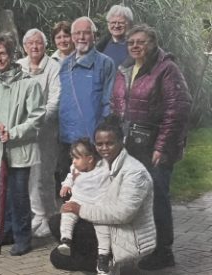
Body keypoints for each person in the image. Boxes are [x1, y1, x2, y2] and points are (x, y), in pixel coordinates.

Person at [110, 24, 192, 271]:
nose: (135, 46)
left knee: (157, 199)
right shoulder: (124, 69)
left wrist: (161, 146)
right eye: (131, 42)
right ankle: (141, 248)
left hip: (156, 147)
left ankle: (163, 252)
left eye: (141, 41)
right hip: (131, 145)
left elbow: (178, 109)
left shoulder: (166, 69)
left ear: (153, 43)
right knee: (137, 199)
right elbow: (117, 106)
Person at [50, 116, 156, 274]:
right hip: (109, 222)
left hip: (130, 234)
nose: (104, 148)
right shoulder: (100, 164)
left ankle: (113, 263)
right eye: (99, 144)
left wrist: (80, 209)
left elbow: (123, 215)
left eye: (110, 143)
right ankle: (100, 262)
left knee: (62, 256)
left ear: (122, 141)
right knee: (56, 223)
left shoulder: (134, 172)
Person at [0, 33, 45, 256]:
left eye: (2, 53)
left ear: (12, 54)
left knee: (18, 194)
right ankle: (5, 232)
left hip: (20, 150)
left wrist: (13, 133)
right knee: (2, 193)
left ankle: (23, 237)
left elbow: (37, 118)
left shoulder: (29, 83)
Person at [58, 16, 116, 180]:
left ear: (94, 36)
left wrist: (103, 134)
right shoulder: (64, 65)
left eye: (86, 33)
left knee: (94, 185)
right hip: (67, 137)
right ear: (72, 36)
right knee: (68, 185)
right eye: (77, 33)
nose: (81, 37)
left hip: (92, 137)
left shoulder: (105, 63)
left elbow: (109, 101)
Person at [17, 28, 61, 238]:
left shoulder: (53, 67)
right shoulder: (19, 66)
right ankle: (39, 214)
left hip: (45, 129)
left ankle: (49, 216)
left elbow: (55, 99)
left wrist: (37, 119)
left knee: (45, 174)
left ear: (45, 46)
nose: (35, 47)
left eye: (39, 43)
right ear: (25, 47)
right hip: (24, 131)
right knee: (30, 174)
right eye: (31, 43)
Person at [56, 139, 112, 274]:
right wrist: (66, 185)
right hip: (77, 201)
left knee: (103, 228)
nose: (73, 161)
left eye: (76, 158)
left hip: (95, 206)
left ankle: (104, 257)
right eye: (72, 158)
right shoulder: (75, 168)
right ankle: (66, 240)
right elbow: (70, 176)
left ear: (90, 159)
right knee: (67, 214)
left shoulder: (102, 170)